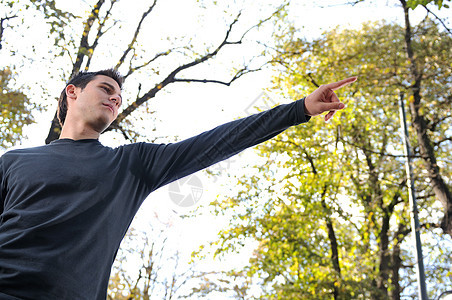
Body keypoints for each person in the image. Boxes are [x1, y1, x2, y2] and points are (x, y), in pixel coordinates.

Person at [0, 69, 356, 299]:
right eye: (106, 89)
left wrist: (299, 109)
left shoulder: (129, 164)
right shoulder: (14, 161)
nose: (114, 98)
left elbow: (216, 143)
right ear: (72, 92)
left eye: (119, 98)